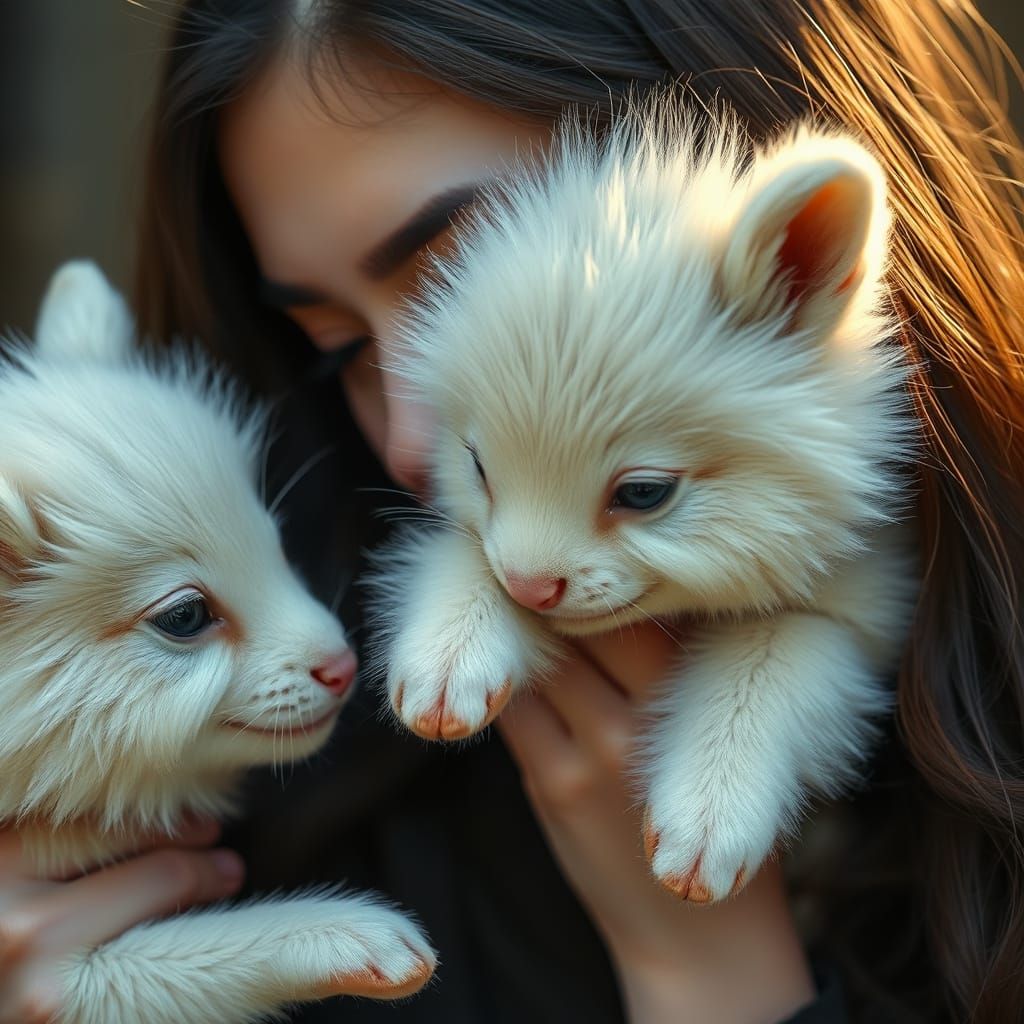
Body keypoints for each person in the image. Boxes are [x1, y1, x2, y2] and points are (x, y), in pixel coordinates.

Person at [2, 1, 1022, 1021]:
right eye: (339, 348)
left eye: (461, 275)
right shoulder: (277, 768)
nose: (410, 441)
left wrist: (707, 973)